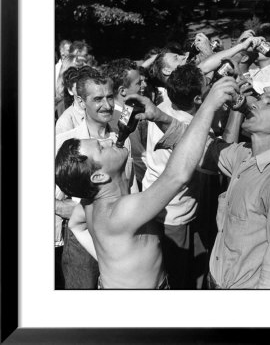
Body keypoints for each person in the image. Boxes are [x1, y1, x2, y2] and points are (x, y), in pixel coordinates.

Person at [55, 77, 238, 289]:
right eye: (102, 148)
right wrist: (208, 106)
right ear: (98, 177)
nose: (109, 140)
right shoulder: (122, 211)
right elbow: (177, 175)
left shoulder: (89, 204)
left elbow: (77, 226)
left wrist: (109, 256)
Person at [151, 83, 270, 289]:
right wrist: (159, 116)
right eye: (260, 98)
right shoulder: (245, 155)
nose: (255, 104)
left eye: (269, 103)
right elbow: (203, 147)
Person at [55, 73, 137, 289]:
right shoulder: (64, 142)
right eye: (98, 99)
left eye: (110, 97)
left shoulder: (122, 139)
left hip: (121, 237)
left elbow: (130, 185)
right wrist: (76, 211)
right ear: (81, 102)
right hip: (82, 239)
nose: (107, 105)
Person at [142, 63, 209, 288]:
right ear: (198, 100)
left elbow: (202, 69)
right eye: (208, 85)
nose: (211, 83)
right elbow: (211, 162)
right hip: (175, 214)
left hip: (154, 203)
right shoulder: (193, 128)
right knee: (178, 278)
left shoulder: (166, 104)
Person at [101, 58, 147, 189]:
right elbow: (136, 159)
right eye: (139, 83)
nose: (144, 85)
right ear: (122, 91)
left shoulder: (127, 111)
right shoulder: (117, 122)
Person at [56, 66, 100, 134]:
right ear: (70, 90)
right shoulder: (65, 122)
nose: (84, 91)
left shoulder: (100, 111)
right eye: (78, 88)